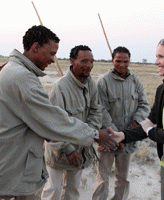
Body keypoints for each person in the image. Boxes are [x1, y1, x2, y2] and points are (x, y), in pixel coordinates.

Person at [0, 25, 118, 200]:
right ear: (35, 47)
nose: (53, 59)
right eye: (52, 53)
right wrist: (93, 134)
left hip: (18, 161)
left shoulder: (13, 70)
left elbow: (95, 110)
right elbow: (52, 120)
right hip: (15, 163)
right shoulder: (24, 78)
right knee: (52, 190)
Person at [110, 39, 164, 200]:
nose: (156, 62)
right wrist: (122, 136)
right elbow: (149, 122)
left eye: (160, 57)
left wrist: (151, 132)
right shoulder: (162, 90)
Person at [41, 45, 102, 200]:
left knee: (72, 190)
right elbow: (52, 124)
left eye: (91, 61)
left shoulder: (91, 85)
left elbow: (96, 112)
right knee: (52, 190)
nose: (89, 66)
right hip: (58, 151)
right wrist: (67, 148)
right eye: (84, 61)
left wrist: (88, 136)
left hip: (81, 148)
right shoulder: (59, 88)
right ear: (72, 61)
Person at [92, 46, 150, 200]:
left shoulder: (136, 81)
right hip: (109, 138)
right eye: (118, 61)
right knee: (102, 177)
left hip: (129, 139)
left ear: (129, 61)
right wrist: (115, 135)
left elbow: (144, 105)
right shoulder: (103, 81)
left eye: (125, 61)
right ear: (112, 60)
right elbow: (101, 110)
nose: (122, 65)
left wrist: (136, 121)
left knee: (123, 177)